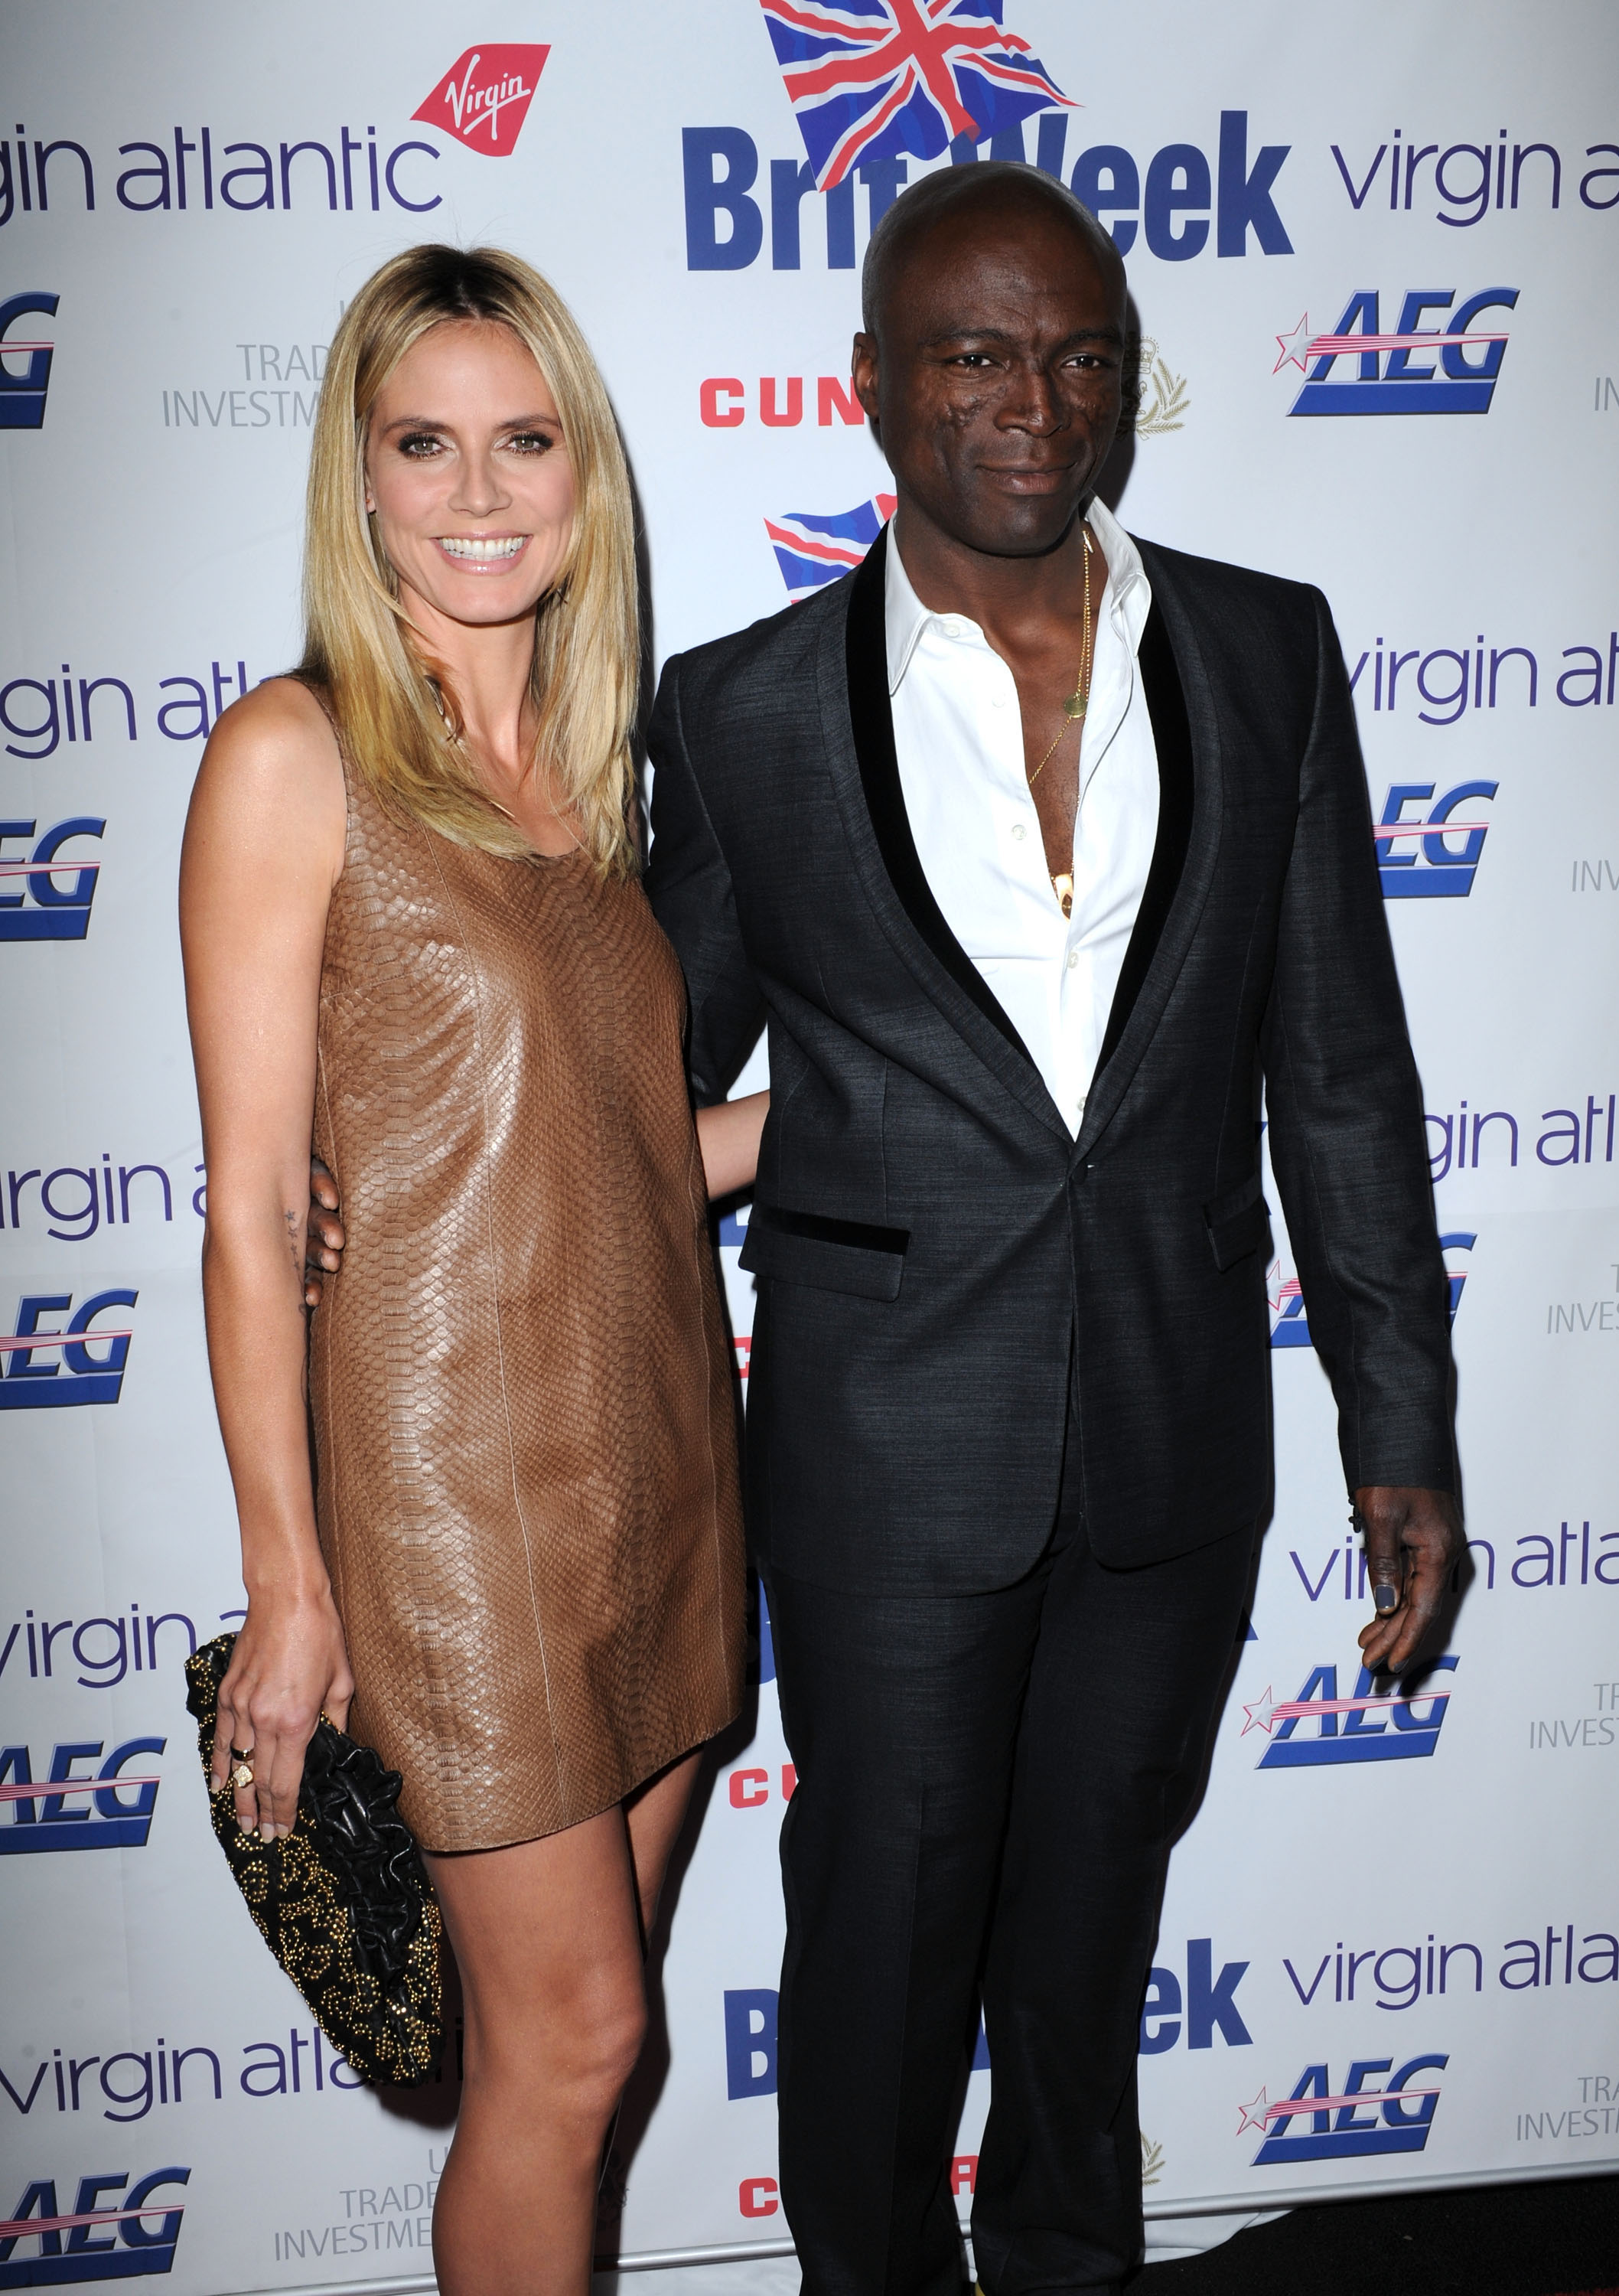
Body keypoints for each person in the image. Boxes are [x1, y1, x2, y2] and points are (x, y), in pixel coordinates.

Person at [305, 171, 1461, 2294]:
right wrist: (376, 1172)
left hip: (1170, 1438)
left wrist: (1401, 1428)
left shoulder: (1265, 646)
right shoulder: (741, 714)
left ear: (1122, 387)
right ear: (868, 387)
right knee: (879, 1945)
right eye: (974, 353)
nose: (1033, 400)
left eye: (1078, 354)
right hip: (872, 1455)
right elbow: (622, 1088)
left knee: (1091, 1941)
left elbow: (1345, 1072)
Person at [181, 243, 761, 2296]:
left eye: (524, 441)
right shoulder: (293, 755)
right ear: (357, 478)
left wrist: (876, 1109)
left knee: (578, 2056)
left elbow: (606, 1159)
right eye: (424, 443)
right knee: (576, 2039)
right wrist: (289, 1582)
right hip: (453, 1512)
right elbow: (253, 1208)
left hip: (666, 1471)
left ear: (587, 477)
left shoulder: (598, 790)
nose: (480, 491)